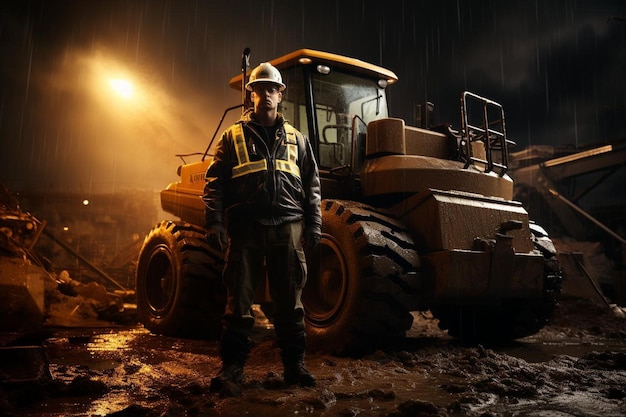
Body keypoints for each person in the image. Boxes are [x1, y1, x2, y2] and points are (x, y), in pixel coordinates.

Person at [202, 62, 322, 394]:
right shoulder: (232, 137)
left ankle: (294, 368)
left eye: (272, 89)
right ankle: (232, 369)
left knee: (290, 304)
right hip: (246, 229)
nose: (266, 95)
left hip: (289, 227)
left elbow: (312, 186)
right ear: (251, 95)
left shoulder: (298, 139)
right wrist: (213, 221)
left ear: (280, 95)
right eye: (260, 89)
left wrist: (314, 224)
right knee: (238, 303)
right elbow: (215, 185)